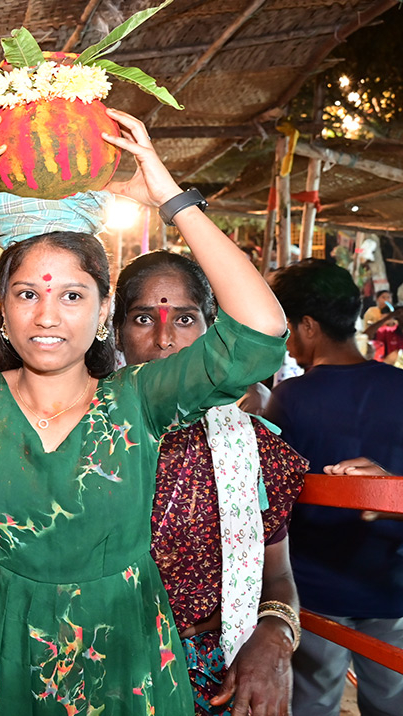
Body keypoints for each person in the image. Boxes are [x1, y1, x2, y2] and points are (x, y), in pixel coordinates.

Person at [0, 108, 288, 715]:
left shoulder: (140, 401)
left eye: (72, 296)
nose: (48, 316)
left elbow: (260, 331)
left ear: (103, 312)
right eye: (27, 294)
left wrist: (170, 197)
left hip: (118, 657)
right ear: (1, 309)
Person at [114, 251, 308, 716]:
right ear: (115, 328)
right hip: (105, 663)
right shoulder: (76, 430)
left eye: (184, 318)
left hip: (216, 665)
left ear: (211, 328)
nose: (164, 340)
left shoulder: (252, 447)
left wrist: (274, 637)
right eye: (144, 318)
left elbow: (277, 577)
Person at [265, 259, 403, 716]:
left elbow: (275, 501)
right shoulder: (399, 386)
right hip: (390, 586)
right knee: (391, 701)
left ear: (307, 324)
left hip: (316, 590)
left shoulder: (292, 398)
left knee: (313, 702)